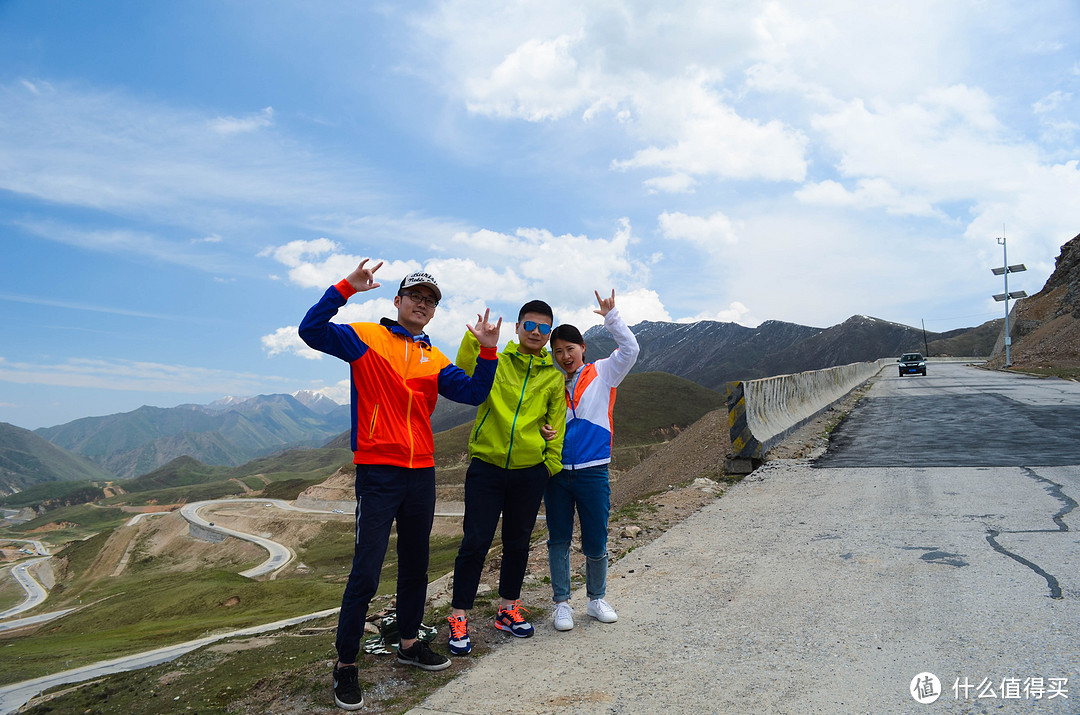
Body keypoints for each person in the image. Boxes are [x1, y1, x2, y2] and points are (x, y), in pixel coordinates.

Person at [298, 259, 502, 711]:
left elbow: (472, 394)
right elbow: (310, 330)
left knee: (416, 565)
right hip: (378, 471)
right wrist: (344, 289)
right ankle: (346, 665)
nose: (423, 305)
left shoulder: (434, 356)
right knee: (366, 571)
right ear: (398, 301)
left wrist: (488, 352)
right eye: (416, 297)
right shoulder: (364, 337)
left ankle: (409, 644)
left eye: (430, 301)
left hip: (421, 472)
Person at [445, 300, 566, 656]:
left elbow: (556, 427)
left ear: (548, 334)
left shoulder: (553, 377)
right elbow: (463, 375)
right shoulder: (494, 360)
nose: (536, 333)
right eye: (530, 324)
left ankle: (508, 608)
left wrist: (548, 467)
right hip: (487, 466)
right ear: (517, 326)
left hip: (530, 472)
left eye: (545, 328)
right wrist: (479, 343)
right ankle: (459, 615)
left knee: (517, 542)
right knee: (475, 542)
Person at [543, 289, 639, 631]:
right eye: (558, 352)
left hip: (593, 471)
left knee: (596, 538)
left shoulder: (604, 372)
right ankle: (561, 604)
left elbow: (631, 350)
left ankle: (596, 598)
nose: (565, 356)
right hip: (555, 474)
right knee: (558, 539)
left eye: (570, 349)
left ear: (582, 347)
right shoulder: (551, 382)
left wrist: (612, 318)